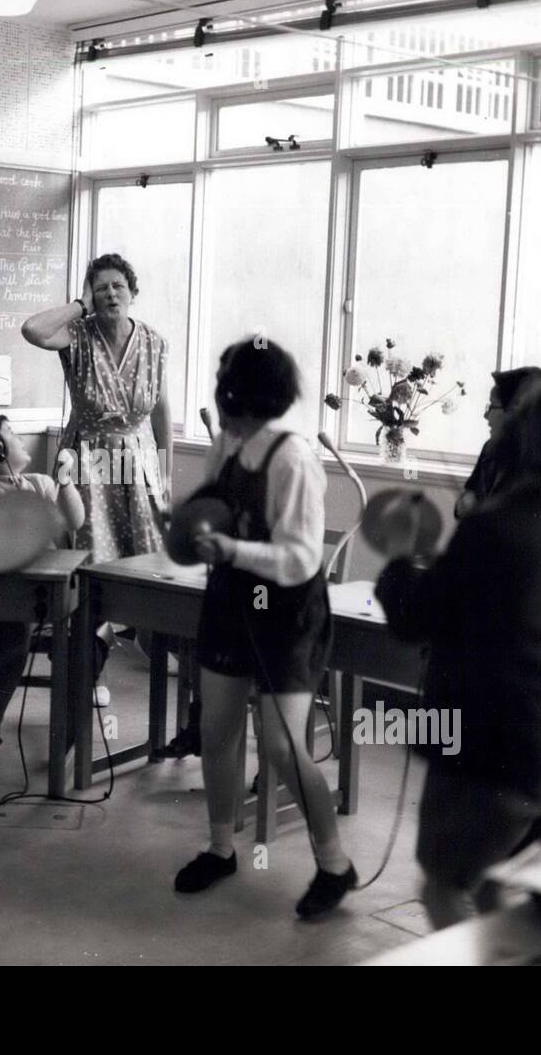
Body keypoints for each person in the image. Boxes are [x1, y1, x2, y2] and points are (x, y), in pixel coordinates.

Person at [374, 382, 541, 929]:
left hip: (486, 746)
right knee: (497, 895)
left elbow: (416, 618)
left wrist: (397, 559)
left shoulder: (495, 524)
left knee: (442, 887)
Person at [173, 338, 358, 918]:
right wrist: (187, 526)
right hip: (230, 600)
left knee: (280, 745)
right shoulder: (228, 442)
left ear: (248, 393)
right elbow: (212, 506)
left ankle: (335, 866)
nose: (217, 394)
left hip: (287, 613)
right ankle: (221, 848)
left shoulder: (292, 457)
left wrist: (228, 546)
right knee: (218, 729)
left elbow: (302, 558)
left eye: (226, 383)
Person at [22, 254, 173, 704]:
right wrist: (76, 305)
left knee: (144, 566)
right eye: (100, 287)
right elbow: (33, 330)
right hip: (90, 460)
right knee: (91, 567)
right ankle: (91, 672)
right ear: (90, 295)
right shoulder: (76, 335)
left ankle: (150, 655)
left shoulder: (153, 342)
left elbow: (163, 410)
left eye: (118, 286)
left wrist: (165, 474)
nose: (110, 294)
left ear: (132, 293)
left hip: (139, 462)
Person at [0, 416, 84, 780]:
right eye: (13, 435)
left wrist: (65, 478)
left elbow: (75, 520)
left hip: (27, 603)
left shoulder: (40, 483)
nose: (21, 440)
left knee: (14, 638)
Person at [455, 366, 541, 519]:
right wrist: (466, 502)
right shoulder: (490, 449)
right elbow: (466, 501)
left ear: (515, 413)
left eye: (491, 407)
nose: (486, 416)